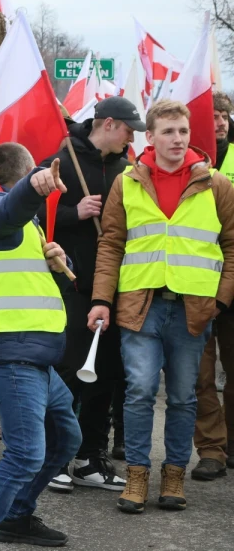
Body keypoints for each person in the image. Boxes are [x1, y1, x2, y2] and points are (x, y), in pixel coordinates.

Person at [91, 99, 234, 513]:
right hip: (141, 306)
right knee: (138, 391)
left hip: (194, 309)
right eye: (168, 131)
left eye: (183, 132)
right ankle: (137, 475)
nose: (177, 139)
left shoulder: (217, 185)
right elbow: (112, 244)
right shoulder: (127, 182)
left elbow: (230, 246)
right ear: (149, 137)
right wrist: (102, 298)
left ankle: (174, 476)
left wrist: (221, 300)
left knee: (185, 396)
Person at [0, 144, 80, 551]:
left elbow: (28, 280)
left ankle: (16, 516)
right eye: (33, 174)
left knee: (65, 439)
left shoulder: (27, 228)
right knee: (25, 454)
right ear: (25, 171)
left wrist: (61, 262)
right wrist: (34, 187)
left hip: (34, 354)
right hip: (11, 353)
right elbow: (7, 210)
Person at [40, 97, 139, 494]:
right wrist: (72, 213)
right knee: (69, 370)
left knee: (108, 374)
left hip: (116, 287)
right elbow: (36, 219)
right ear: (109, 124)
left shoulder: (128, 170)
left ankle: (90, 458)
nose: (133, 138)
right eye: (129, 129)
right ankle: (56, 456)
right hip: (74, 284)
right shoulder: (61, 159)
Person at [191, 93, 234, 480]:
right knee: (201, 374)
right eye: (212, 116)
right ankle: (212, 451)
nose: (219, 122)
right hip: (197, 282)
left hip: (232, 276)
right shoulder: (185, 160)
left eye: (223, 115)